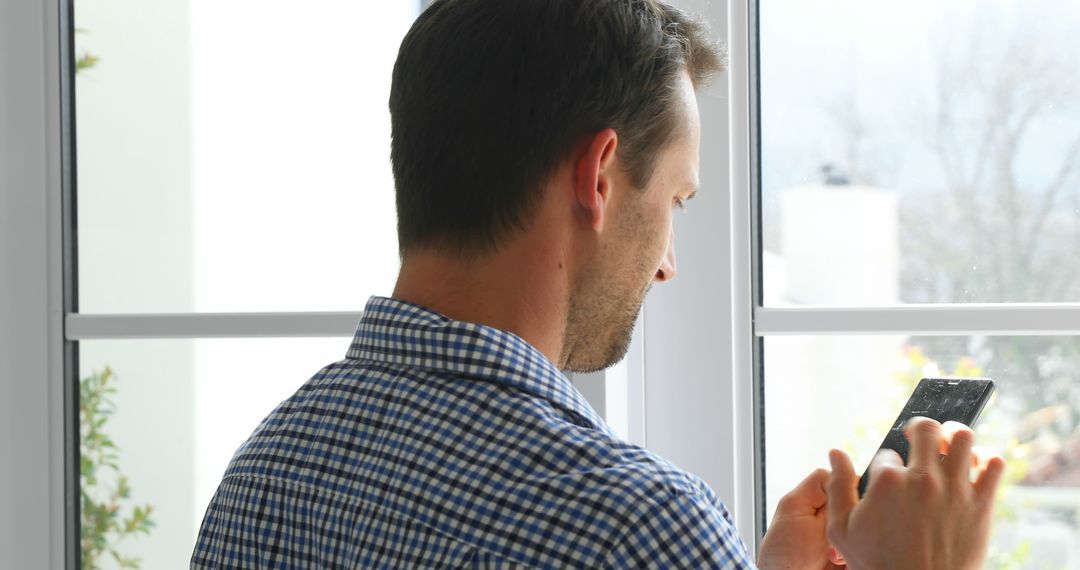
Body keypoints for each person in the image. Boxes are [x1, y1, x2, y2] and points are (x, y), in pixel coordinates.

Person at [191, 0, 1006, 567]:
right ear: (601, 176)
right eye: (675, 202)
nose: (668, 263)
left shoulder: (268, 467)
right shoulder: (634, 527)